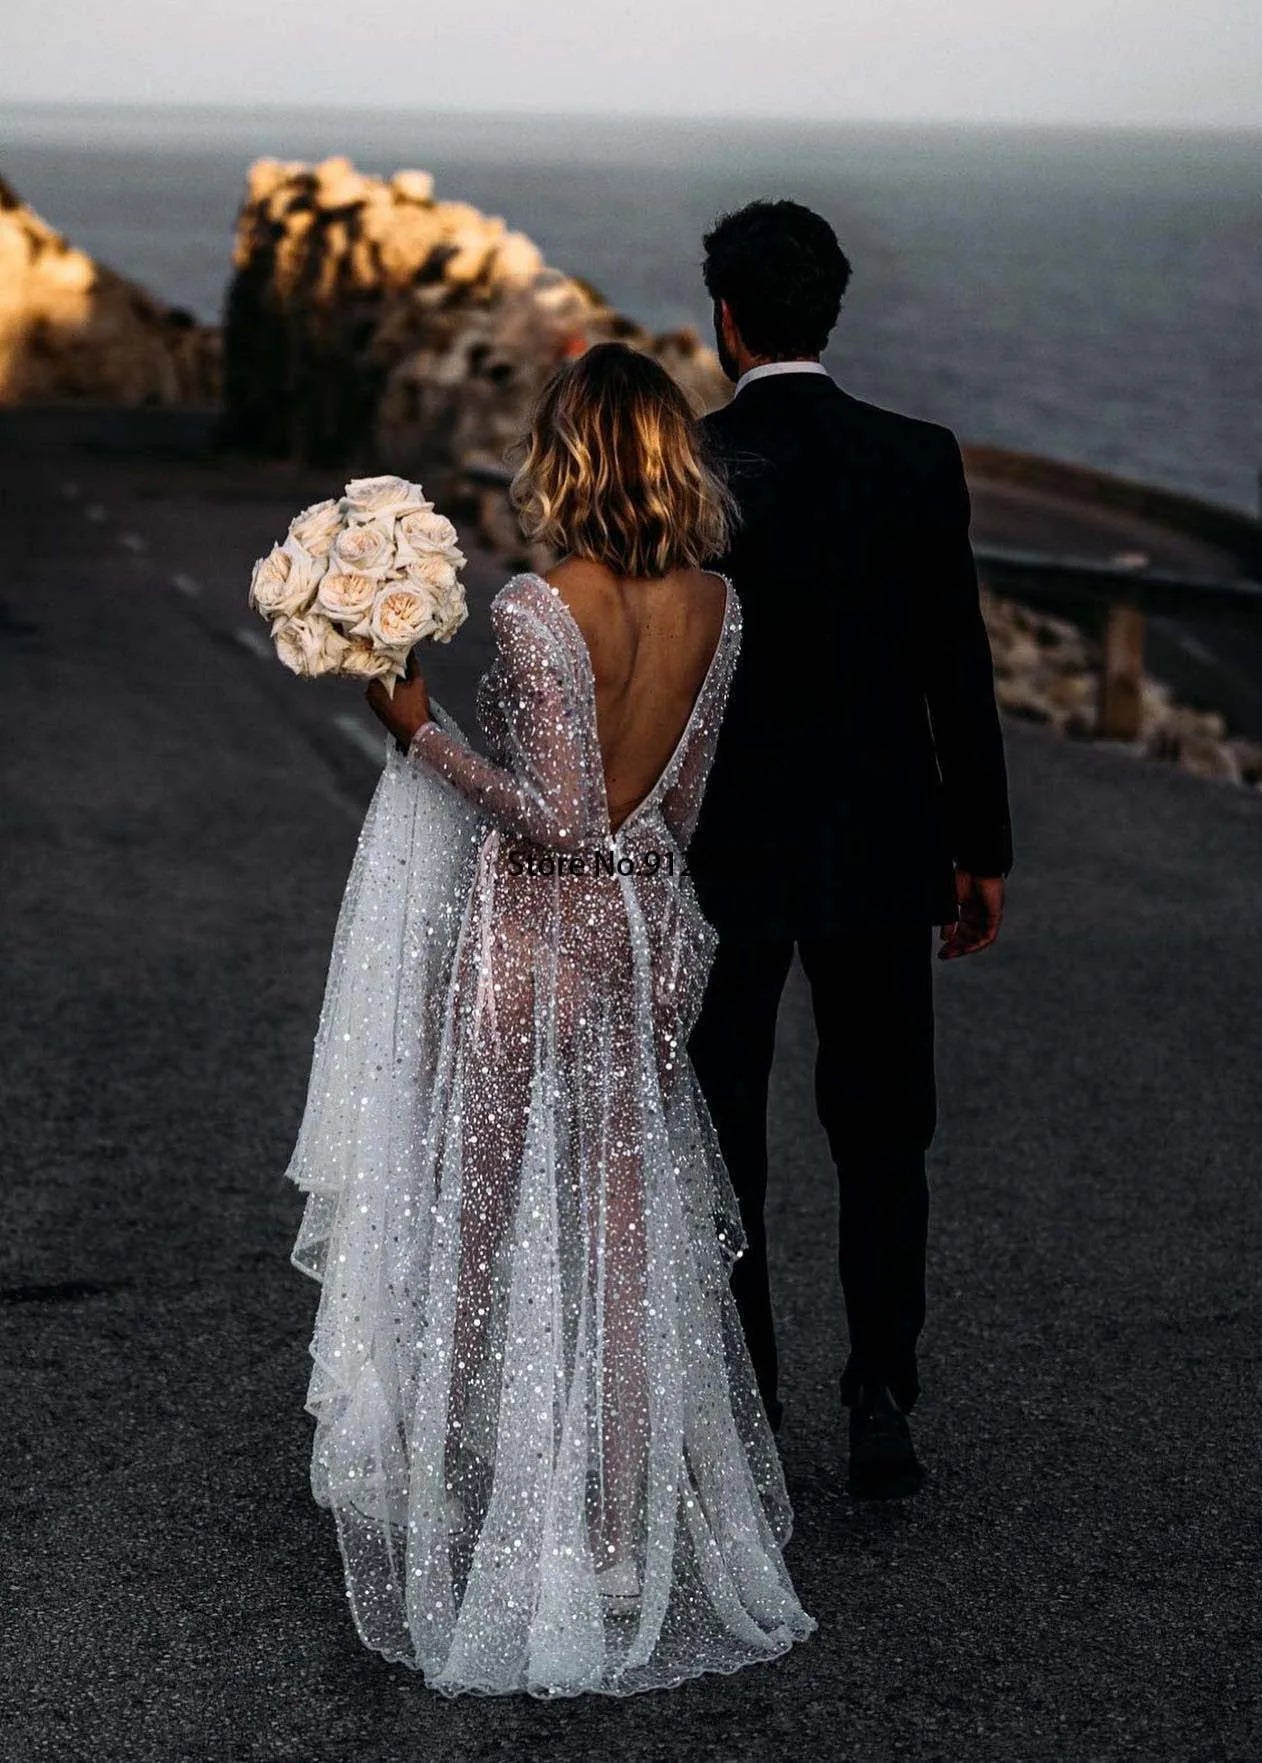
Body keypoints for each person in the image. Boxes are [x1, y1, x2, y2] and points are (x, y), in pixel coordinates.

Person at [284, 341, 814, 1698]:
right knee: (628, 1233)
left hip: (536, 938)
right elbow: (671, 808)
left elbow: (556, 819)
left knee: (496, 1221)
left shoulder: (537, 608)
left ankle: (509, 1519)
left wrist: (416, 728)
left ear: (567, 455)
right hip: (649, 933)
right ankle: (620, 1537)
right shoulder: (718, 605)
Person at [685, 200, 1013, 1499]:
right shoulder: (917, 458)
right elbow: (959, 668)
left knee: (727, 1131)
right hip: (887, 846)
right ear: (831, 311)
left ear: (725, 318)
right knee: (884, 1133)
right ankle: (882, 1391)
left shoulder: (690, 466)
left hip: (730, 855)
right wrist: (980, 848)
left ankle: (746, 1399)